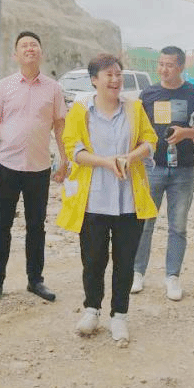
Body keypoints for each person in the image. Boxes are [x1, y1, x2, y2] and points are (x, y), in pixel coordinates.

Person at [57, 53, 157, 344]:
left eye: (118, 74)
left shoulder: (134, 108)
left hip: (129, 201)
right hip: (93, 200)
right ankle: (92, 310)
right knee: (93, 260)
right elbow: (73, 149)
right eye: (108, 75)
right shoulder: (80, 111)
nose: (115, 80)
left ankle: (119, 316)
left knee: (125, 262)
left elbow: (150, 141)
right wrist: (105, 161)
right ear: (94, 80)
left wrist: (130, 157)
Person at [0, 30, 70, 303]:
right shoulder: (4, 86)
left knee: (36, 226)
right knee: (2, 224)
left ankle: (36, 280)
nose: (30, 49)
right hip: (6, 166)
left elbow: (60, 125)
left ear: (41, 52)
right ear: (15, 54)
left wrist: (64, 158)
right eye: (24, 46)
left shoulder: (53, 88)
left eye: (34, 45)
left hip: (39, 168)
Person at [131, 46, 194, 301]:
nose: (163, 69)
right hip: (152, 168)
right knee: (144, 223)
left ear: (181, 67)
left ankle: (172, 276)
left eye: (169, 65)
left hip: (183, 170)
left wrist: (185, 133)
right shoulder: (149, 94)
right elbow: (137, 129)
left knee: (178, 226)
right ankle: (137, 272)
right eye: (161, 64)